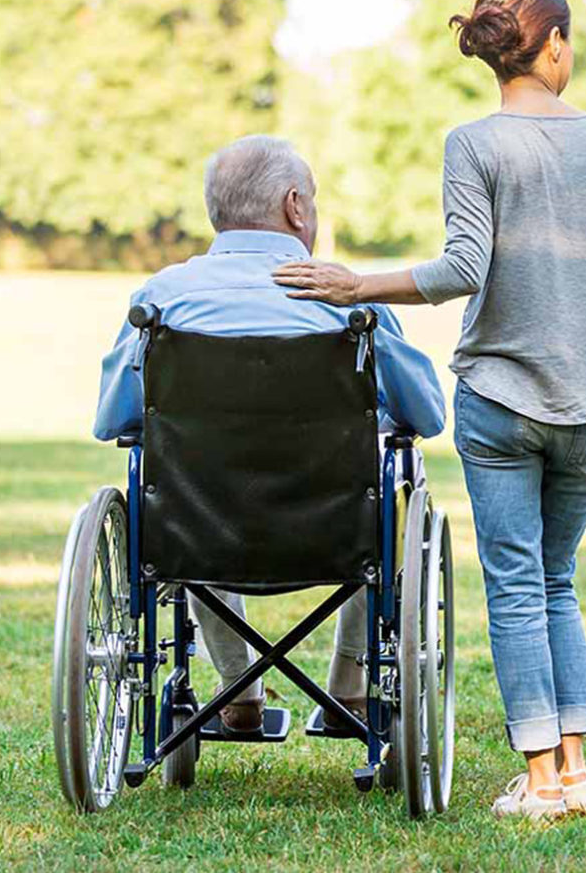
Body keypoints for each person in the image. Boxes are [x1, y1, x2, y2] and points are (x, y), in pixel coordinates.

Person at [273, 0, 586, 819]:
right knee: (558, 579)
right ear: (552, 44)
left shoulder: (472, 144)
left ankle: (542, 781)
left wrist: (355, 284)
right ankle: (576, 770)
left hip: (501, 398)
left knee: (518, 583)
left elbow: (462, 270)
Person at [93, 135, 444, 735]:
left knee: (183, 483)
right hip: (334, 529)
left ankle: (238, 694)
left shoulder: (162, 301)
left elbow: (114, 422)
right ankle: (352, 690)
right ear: (294, 206)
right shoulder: (348, 304)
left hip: (199, 531)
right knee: (389, 486)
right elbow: (428, 416)